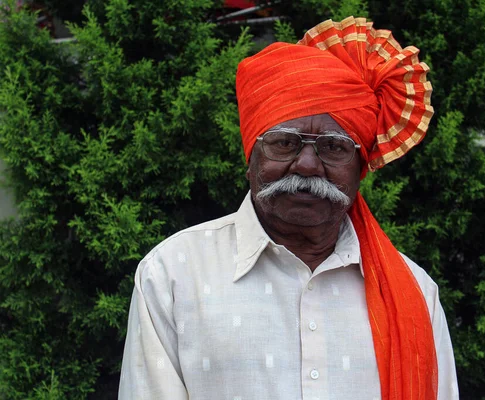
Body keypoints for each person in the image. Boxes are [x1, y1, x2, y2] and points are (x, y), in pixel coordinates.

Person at [119, 16, 459, 400]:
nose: (308, 165)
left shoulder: (414, 292)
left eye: (333, 147)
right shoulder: (173, 275)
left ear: (358, 167)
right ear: (251, 155)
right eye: (285, 143)